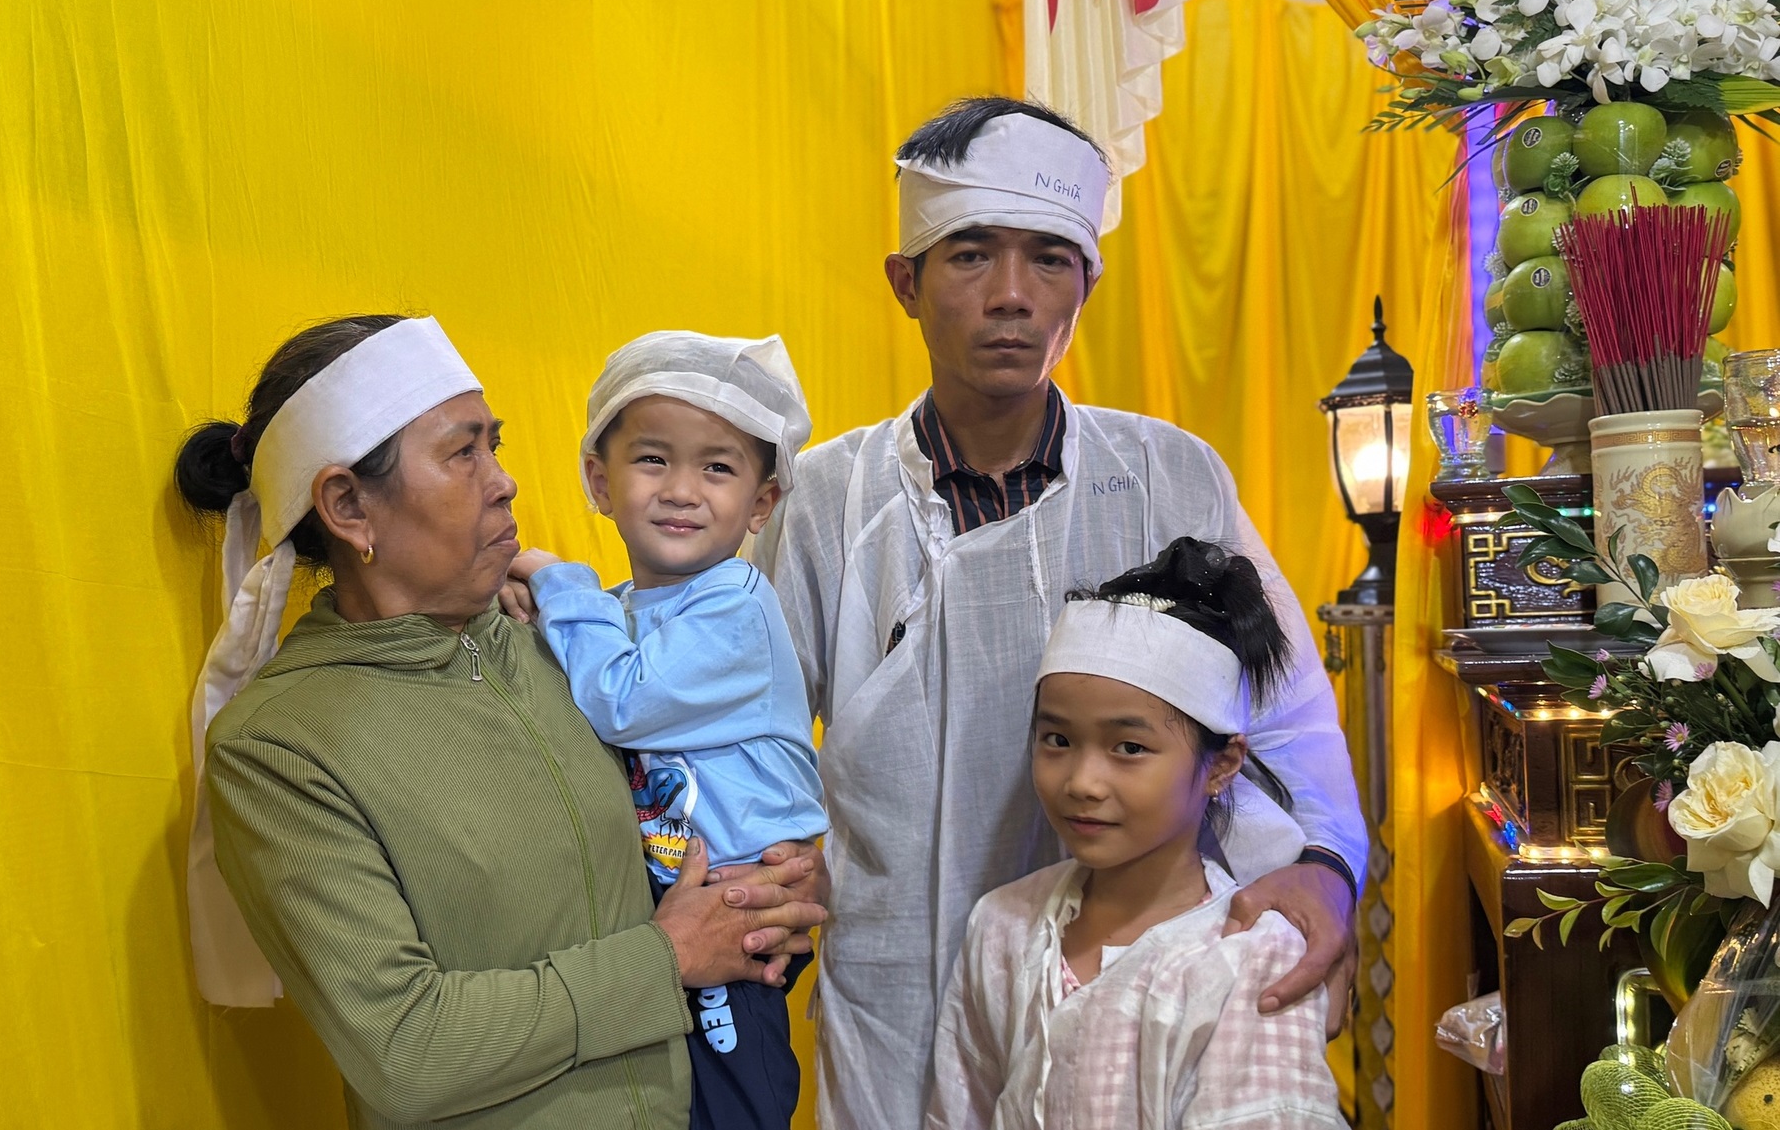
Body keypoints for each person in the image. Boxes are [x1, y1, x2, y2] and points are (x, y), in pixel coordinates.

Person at [751, 96, 1368, 1127]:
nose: (1010, 295)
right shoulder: (827, 499)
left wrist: (1328, 866)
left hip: (1153, 981)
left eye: (1047, 258)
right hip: (901, 984)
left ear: (1087, 282)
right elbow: (744, 720)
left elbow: (1285, 709)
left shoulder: (1167, 472)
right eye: (968, 255)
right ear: (904, 282)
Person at [173, 314, 827, 1130]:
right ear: (347, 505)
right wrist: (666, 958)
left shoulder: (561, 645)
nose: (505, 481)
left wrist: (771, 877)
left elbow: (695, 795)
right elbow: (405, 1052)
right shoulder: (281, 748)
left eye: (496, 444)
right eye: (462, 453)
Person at [509, 331, 830, 1130]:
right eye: (652, 459)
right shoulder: (620, 611)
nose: (682, 490)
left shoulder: (735, 605)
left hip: (738, 904)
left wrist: (555, 583)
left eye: (717, 468)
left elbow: (620, 701)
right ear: (599, 480)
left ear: (761, 503)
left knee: (729, 1105)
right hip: (669, 904)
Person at [927, 539, 1346, 1130]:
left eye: (1129, 748)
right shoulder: (1003, 925)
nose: (1082, 782)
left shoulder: (1249, 956)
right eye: (1057, 740)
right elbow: (958, 1110)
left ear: (1222, 766)